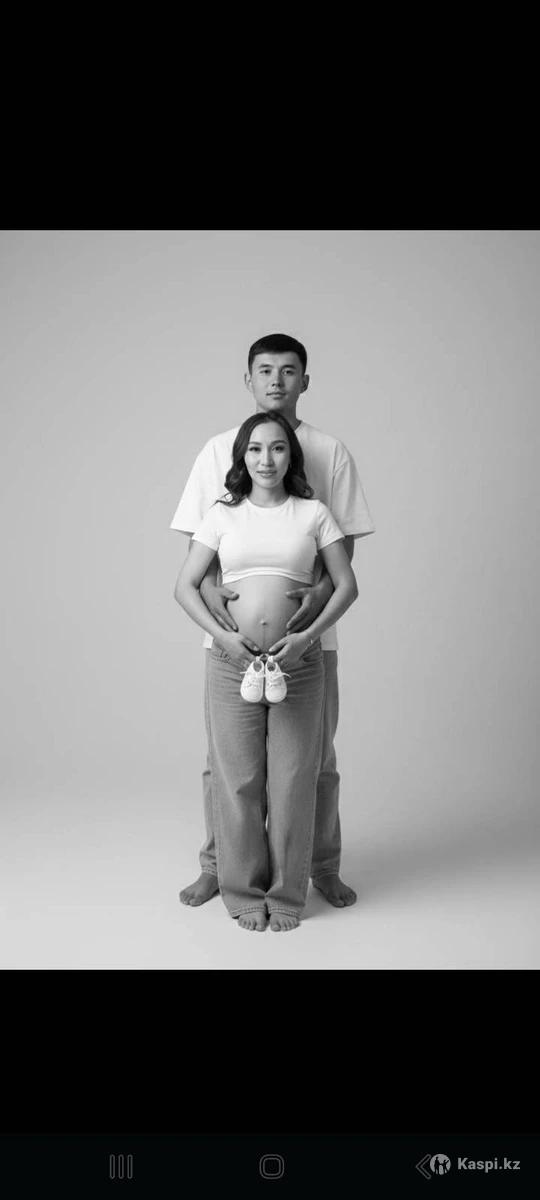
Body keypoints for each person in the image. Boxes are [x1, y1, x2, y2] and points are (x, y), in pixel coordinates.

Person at [170, 333, 375, 909]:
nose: (277, 381)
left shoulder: (329, 451)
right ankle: (219, 866)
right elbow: (201, 545)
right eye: (265, 370)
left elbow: (342, 543)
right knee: (227, 764)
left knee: (314, 761)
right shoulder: (219, 449)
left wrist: (319, 596)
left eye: (288, 371)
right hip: (232, 640)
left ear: (304, 381)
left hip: (308, 640)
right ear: (249, 380)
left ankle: (321, 866)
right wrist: (216, 608)